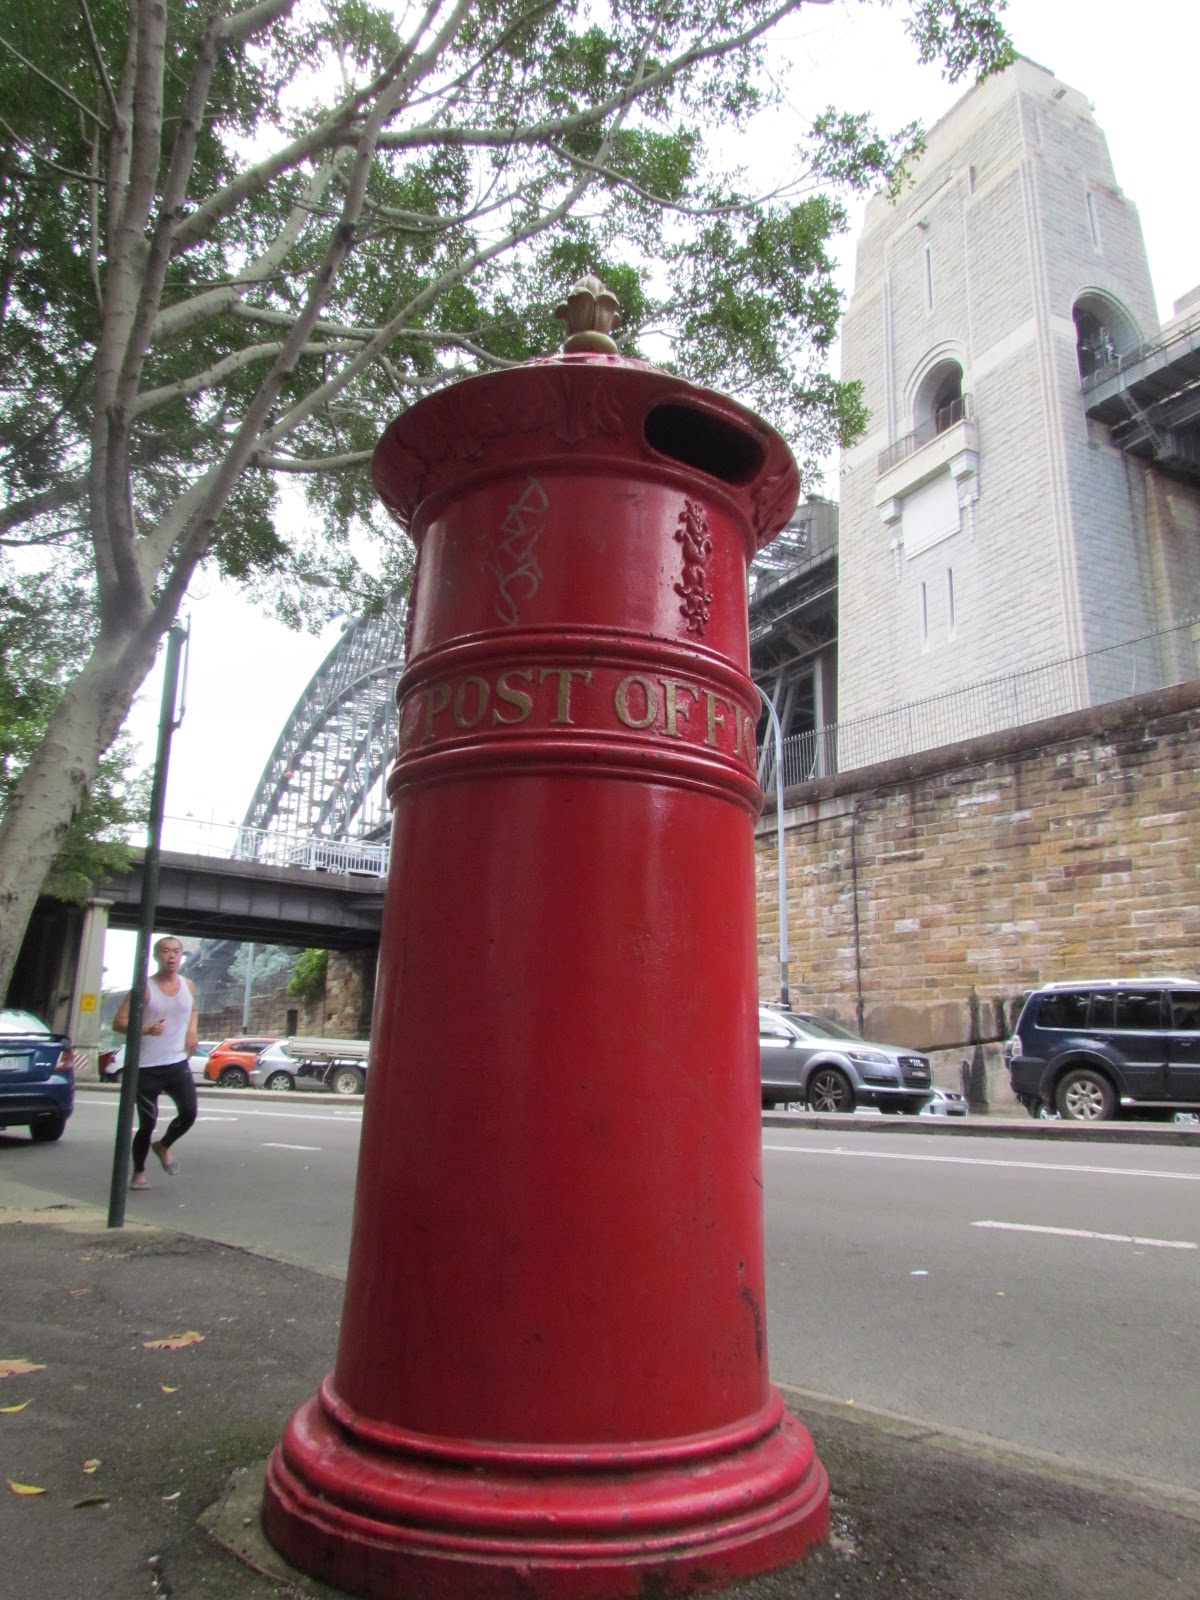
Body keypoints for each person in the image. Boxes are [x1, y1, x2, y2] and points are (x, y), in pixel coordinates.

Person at [113, 936, 199, 1190]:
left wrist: (192, 1032)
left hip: (176, 1062)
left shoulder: (189, 985)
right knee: (148, 1122)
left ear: (181, 956)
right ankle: (139, 1172)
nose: (171, 956)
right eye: (165, 951)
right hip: (146, 1066)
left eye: (176, 952)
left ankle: (163, 1146)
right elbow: (118, 1023)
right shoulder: (144, 988)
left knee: (189, 1113)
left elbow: (192, 1010)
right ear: (156, 956)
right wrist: (147, 1029)